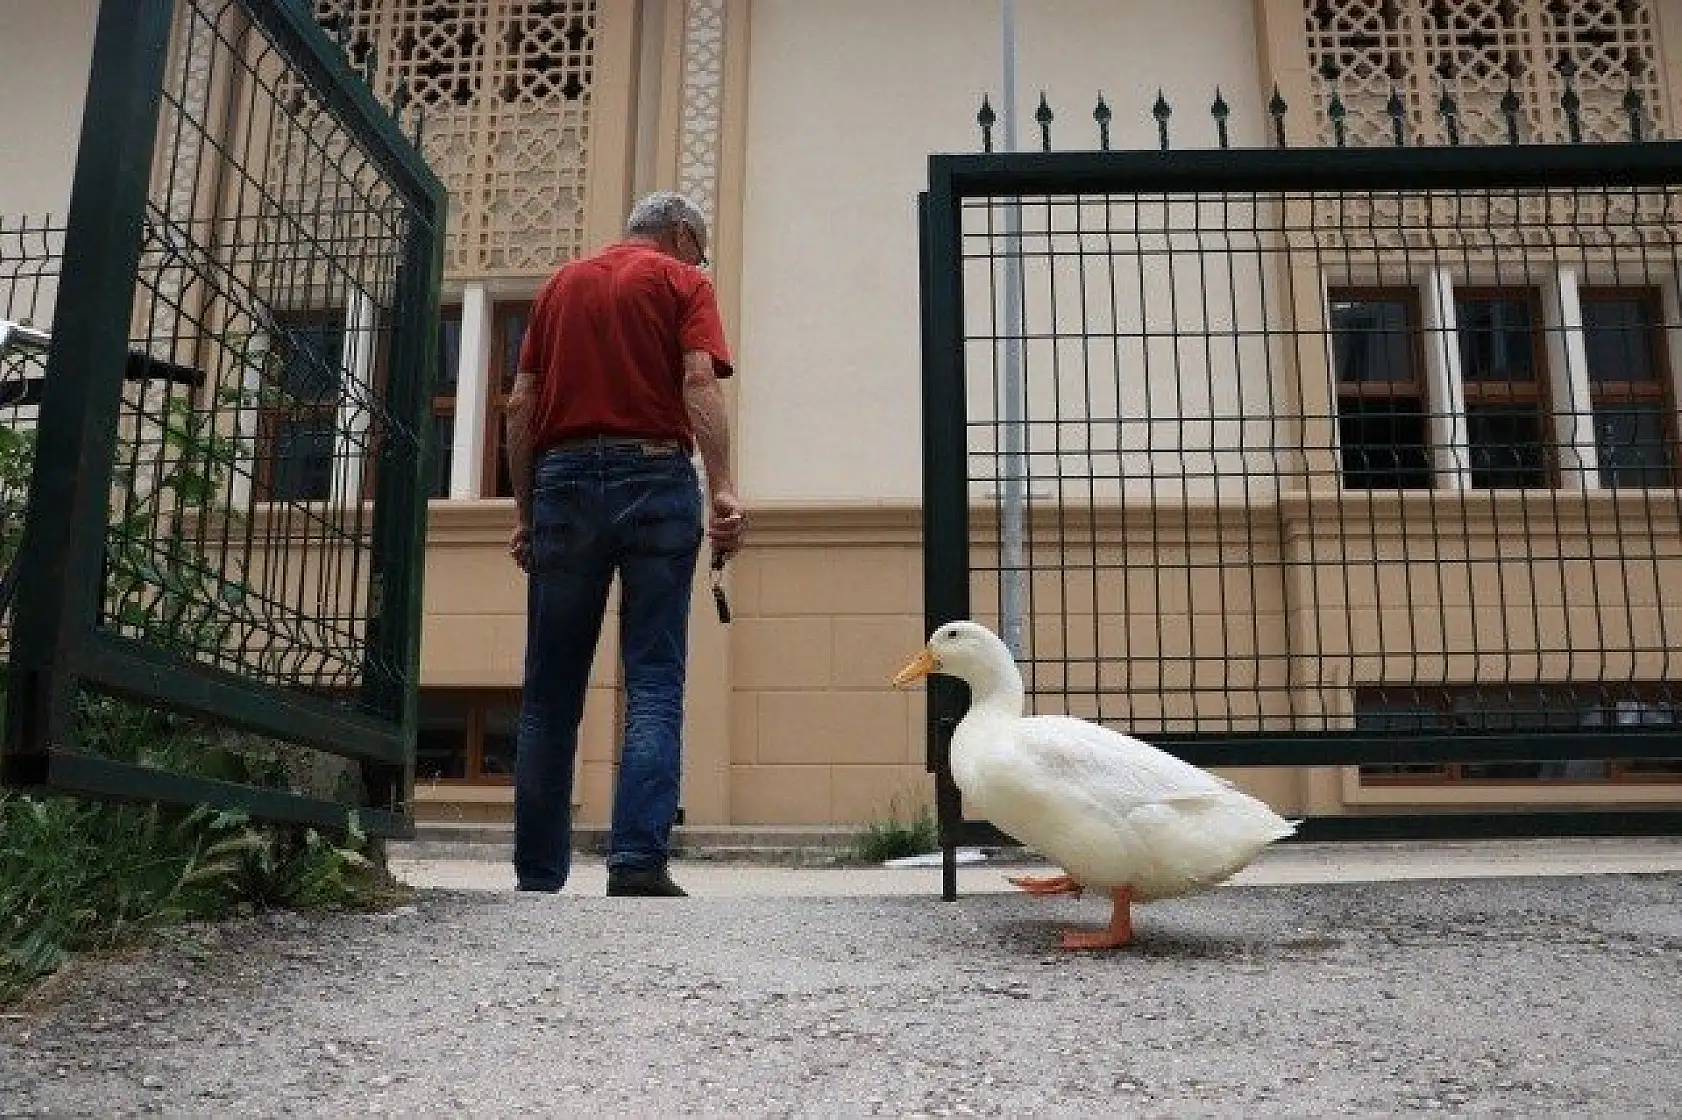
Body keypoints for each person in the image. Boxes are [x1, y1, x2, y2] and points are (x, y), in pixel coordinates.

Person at [503, 190, 744, 897]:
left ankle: (539, 874)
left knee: (550, 692)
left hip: (564, 484)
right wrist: (725, 484)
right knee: (655, 680)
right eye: (697, 246)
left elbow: (521, 402)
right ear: (679, 236)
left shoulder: (558, 287)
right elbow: (697, 378)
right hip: (655, 477)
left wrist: (526, 513)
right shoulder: (683, 282)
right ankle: (637, 861)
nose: (700, 260)